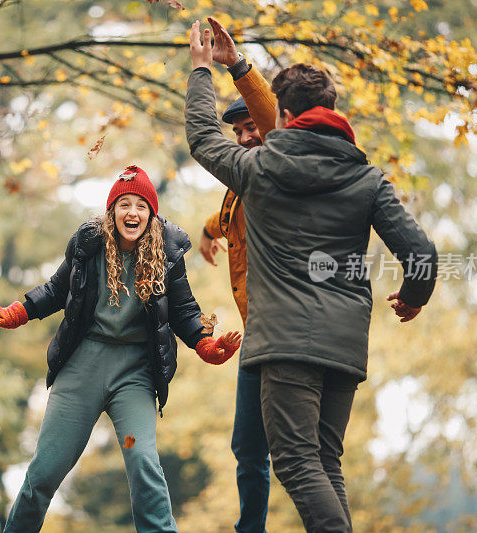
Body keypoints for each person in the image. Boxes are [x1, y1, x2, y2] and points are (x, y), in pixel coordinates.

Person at [186, 18, 438, 532]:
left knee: (298, 465)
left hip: (284, 344)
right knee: (325, 464)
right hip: (344, 344)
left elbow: (201, 137)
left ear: (283, 116)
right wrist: (414, 296)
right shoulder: (368, 179)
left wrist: (200, 69)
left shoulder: (257, 168)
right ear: (334, 114)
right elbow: (421, 254)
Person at [0, 165, 242, 533]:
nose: (132, 213)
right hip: (81, 369)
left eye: (141, 206)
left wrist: (208, 345)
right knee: (44, 470)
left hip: (133, 377)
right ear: (112, 211)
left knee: (142, 459)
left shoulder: (167, 253)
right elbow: (57, 290)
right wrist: (16, 312)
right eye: (124, 204)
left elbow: (182, 312)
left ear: (152, 213)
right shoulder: (89, 244)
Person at [200, 84, 276, 532]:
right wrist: (208, 230)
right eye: (240, 131)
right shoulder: (238, 186)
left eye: (253, 127)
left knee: (301, 452)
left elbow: (271, 118)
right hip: (254, 338)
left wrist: (237, 67)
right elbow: (226, 217)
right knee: (247, 447)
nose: (246, 137)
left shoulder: (282, 174)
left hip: (286, 330)